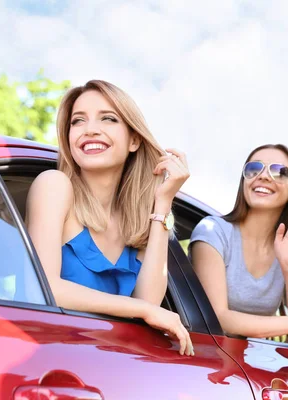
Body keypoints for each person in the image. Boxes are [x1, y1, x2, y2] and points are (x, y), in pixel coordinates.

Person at [26, 80, 193, 356]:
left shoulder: (138, 220)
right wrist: (142, 309)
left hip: (108, 366)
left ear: (134, 140)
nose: (90, 129)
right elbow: (46, 289)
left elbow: (148, 300)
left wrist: (163, 202)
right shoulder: (54, 185)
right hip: (51, 357)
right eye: (78, 121)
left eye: (108, 118)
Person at [189, 144, 288, 367]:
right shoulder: (213, 232)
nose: (263, 176)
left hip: (245, 363)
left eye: (278, 171)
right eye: (254, 169)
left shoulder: (287, 247)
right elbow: (219, 316)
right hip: (199, 361)